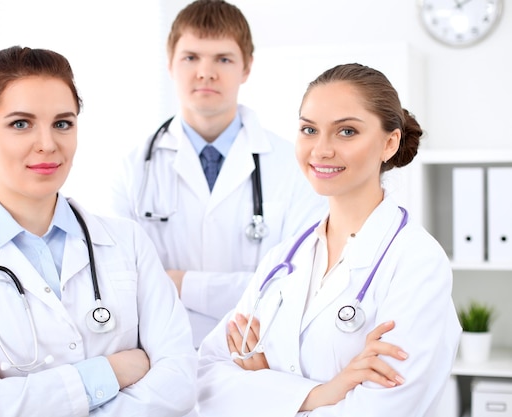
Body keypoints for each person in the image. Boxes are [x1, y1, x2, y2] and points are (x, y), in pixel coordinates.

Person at [0, 45, 197, 417]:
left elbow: (180, 383)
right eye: (20, 124)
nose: (48, 144)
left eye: (62, 123)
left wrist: (18, 396)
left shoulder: (127, 242)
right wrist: (112, 371)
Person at [195, 63, 461, 416]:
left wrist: (263, 391)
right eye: (309, 129)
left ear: (389, 142)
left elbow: (382, 410)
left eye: (346, 131)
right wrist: (323, 393)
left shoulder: (416, 262)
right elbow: (205, 379)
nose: (320, 150)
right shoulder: (285, 257)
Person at [104, 0, 327, 348]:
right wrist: (243, 287)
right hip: (162, 358)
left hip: (262, 358)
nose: (205, 72)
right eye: (191, 57)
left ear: (247, 67)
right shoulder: (133, 169)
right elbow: (121, 285)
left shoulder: (295, 165)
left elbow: (300, 283)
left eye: (223, 59)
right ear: (170, 64)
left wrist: (178, 284)